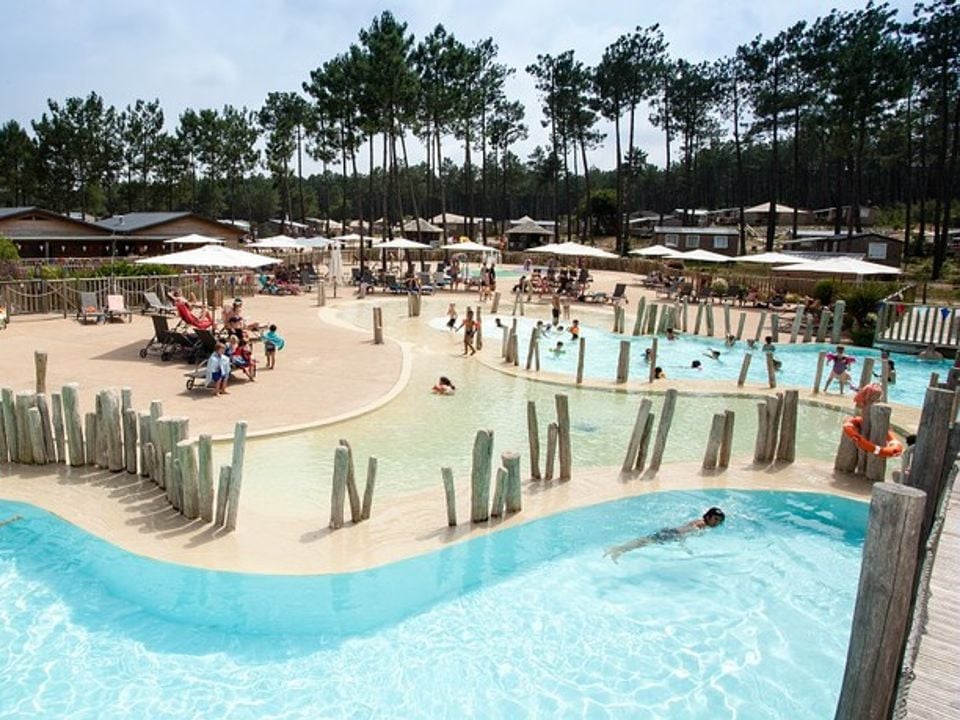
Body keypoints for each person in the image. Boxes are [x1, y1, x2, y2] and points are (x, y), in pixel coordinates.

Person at [605, 507, 726, 562]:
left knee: (644, 541)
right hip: (671, 535)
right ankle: (617, 550)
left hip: (671, 532)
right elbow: (686, 532)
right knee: (644, 542)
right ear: (708, 517)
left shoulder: (701, 522)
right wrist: (683, 545)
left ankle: (619, 549)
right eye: (715, 519)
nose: (717, 523)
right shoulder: (701, 525)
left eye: (719, 521)